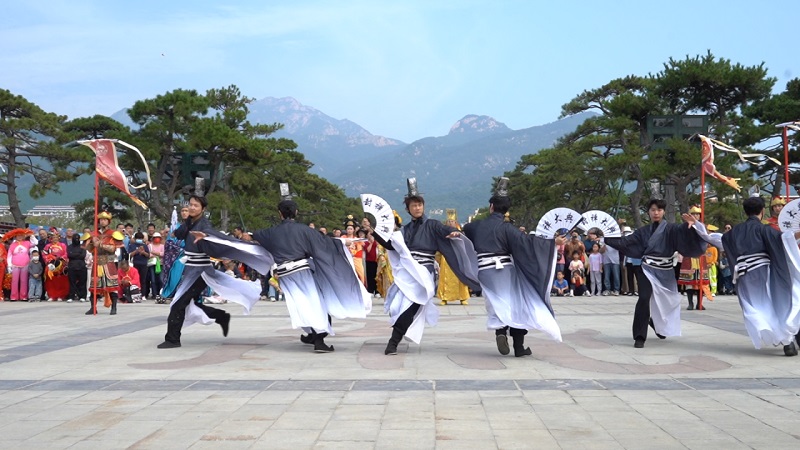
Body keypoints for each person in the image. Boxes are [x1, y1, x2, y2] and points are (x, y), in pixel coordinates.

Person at [370, 179, 480, 355]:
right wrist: (375, 232)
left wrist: (455, 233)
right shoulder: (405, 230)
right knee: (397, 306)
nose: (417, 208)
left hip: (424, 272)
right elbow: (392, 246)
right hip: (408, 271)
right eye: (413, 205)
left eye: (419, 204)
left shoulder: (433, 225)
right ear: (408, 209)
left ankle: (393, 342)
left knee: (413, 305)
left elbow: (446, 230)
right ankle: (399, 334)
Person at [252, 197, 370, 352]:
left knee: (301, 305)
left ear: (280, 213)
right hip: (302, 271)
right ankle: (319, 340)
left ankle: (312, 335)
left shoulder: (270, 232)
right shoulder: (304, 230)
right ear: (296, 212)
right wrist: (341, 242)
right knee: (316, 304)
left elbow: (254, 235)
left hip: (284, 274)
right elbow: (324, 242)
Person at [158, 194, 273, 349]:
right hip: (191, 269)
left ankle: (172, 339)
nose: (192, 208)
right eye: (190, 205)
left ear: (203, 209)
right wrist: (177, 228)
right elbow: (178, 234)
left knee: (178, 303)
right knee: (190, 303)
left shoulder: (204, 224)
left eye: (196, 206)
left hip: (200, 271)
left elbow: (212, 234)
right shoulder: (190, 222)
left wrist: (206, 235)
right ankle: (220, 316)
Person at [688, 197, 800, 356]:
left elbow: (713, 238)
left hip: (743, 276)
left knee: (753, 308)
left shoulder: (733, 233)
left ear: (746, 211)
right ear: (762, 211)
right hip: (763, 273)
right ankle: (787, 341)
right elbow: (785, 239)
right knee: (775, 305)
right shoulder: (764, 230)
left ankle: (777, 335)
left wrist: (697, 226)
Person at [462, 181, 564, 356]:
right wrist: (552, 242)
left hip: (484, 271)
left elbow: (466, 229)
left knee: (495, 303)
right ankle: (518, 346)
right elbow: (528, 243)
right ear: (506, 210)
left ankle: (501, 332)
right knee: (517, 304)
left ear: (491, 207)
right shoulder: (507, 228)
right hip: (504, 271)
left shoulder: (475, 226)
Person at [604, 199, 708, 348]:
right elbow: (626, 242)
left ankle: (656, 323)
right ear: (648, 212)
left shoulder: (672, 229)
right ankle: (639, 336)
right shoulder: (643, 231)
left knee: (668, 302)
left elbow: (686, 233)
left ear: (663, 212)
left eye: (659, 210)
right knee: (644, 298)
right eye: (653, 210)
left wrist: (693, 225)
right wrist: (605, 238)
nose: (656, 213)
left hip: (666, 270)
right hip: (647, 269)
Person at [86, 210, 124, 315]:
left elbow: (113, 248)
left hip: (109, 262)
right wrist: (91, 243)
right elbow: (89, 249)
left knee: (111, 286)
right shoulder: (94, 234)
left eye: (105, 220)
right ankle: (93, 307)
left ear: (108, 221)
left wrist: (100, 245)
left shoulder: (113, 234)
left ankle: (114, 307)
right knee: (94, 287)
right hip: (97, 262)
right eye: (101, 220)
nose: (102, 221)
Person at [679, 206, 711, 310]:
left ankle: (699, 303)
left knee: (701, 282)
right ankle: (690, 303)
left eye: (698, 214)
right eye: (694, 214)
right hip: (689, 255)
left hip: (700, 256)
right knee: (689, 282)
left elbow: (705, 238)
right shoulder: (684, 227)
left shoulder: (702, 226)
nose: (696, 216)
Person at [437, 213, 471, 306]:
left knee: (460, 277)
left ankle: (463, 297)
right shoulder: (443, 232)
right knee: (445, 278)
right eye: (449, 221)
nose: (450, 223)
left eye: (452, 221)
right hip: (446, 257)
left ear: (456, 222)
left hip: (458, 257)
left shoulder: (460, 233)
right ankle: (444, 298)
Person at [5, 229, 33, 302]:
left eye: (21, 235)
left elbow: (35, 243)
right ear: (15, 236)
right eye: (18, 236)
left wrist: (31, 236)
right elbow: (9, 255)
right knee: (14, 281)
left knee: (24, 281)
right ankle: (13, 296)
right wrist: (9, 265)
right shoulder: (12, 245)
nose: (20, 237)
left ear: (24, 236)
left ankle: (23, 296)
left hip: (25, 264)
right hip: (15, 265)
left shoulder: (27, 243)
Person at [43, 228, 70, 302]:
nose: (55, 239)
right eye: (53, 237)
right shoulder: (48, 246)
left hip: (61, 265)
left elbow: (66, 254)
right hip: (51, 264)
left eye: (56, 237)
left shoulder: (63, 245)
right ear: (51, 238)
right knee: (51, 280)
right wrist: (49, 259)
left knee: (61, 280)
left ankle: (61, 295)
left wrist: (61, 258)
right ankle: (52, 295)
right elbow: (44, 254)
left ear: (59, 237)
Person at [66, 233, 88, 303]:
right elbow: (69, 255)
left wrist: (74, 254)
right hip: (72, 266)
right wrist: (78, 254)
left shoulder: (82, 246)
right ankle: (71, 296)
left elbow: (83, 255)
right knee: (72, 282)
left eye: (78, 238)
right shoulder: (69, 247)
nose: (76, 240)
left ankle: (82, 296)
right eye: (75, 238)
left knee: (82, 282)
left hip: (81, 266)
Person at [148, 232, 165, 300]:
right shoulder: (150, 245)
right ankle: (154, 294)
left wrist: (154, 253)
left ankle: (161, 293)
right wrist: (158, 254)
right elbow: (149, 254)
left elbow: (163, 254)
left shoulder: (162, 246)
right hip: (152, 264)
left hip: (160, 264)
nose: (157, 239)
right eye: (155, 238)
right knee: (153, 280)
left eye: (158, 238)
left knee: (161, 279)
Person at [363, 229, 379, 296]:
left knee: (377, 276)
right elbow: (368, 251)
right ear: (367, 235)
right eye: (369, 234)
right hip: (369, 261)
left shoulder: (377, 242)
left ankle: (377, 291)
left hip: (377, 261)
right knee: (370, 276)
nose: (371, 235)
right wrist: (371, 243)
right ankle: (370, 290)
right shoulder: (365, 243)